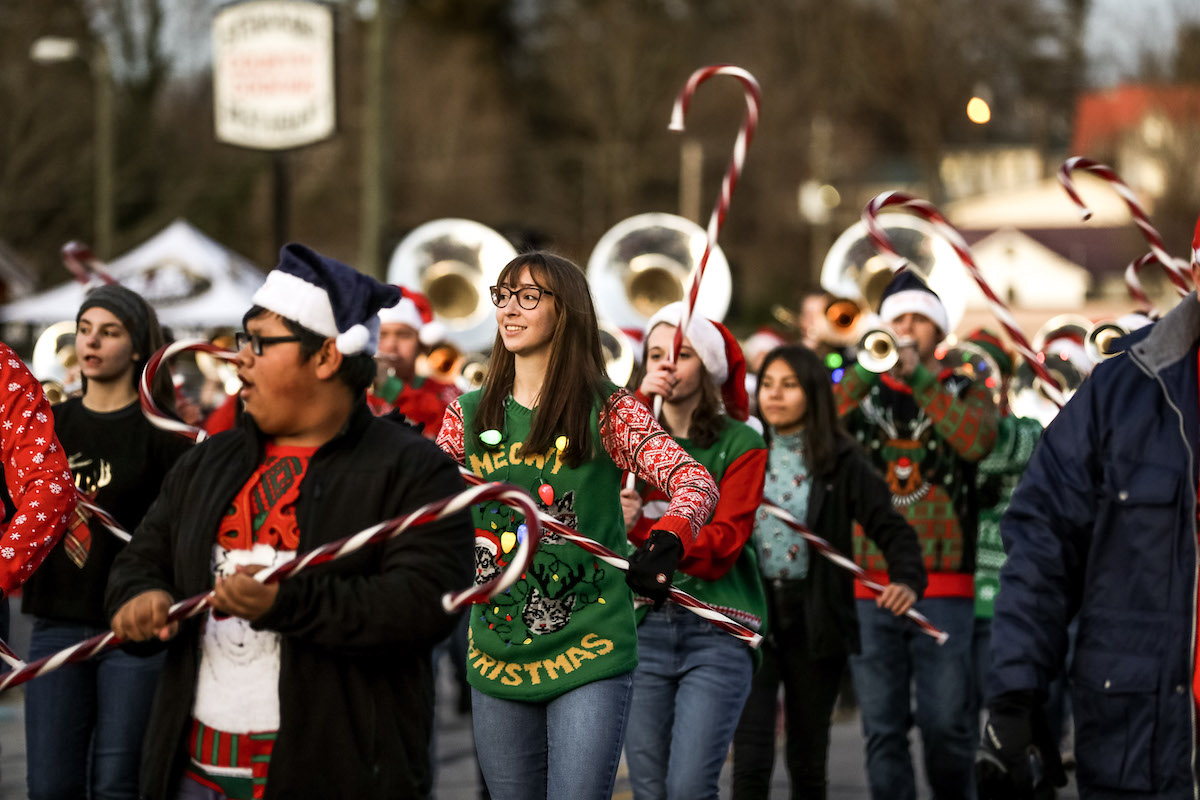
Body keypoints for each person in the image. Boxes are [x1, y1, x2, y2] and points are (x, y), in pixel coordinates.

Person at [107, 243, 474, 800]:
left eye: (259, 342)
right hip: (193, 775)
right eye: (242, 341)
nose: (239, 359)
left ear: (326, 356)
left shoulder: (414, 470)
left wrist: (285, 603)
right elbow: (143, 558)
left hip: (337, 778)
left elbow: (423, 606)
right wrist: (139, 596)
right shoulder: (210, 460)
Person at [435, 251, 718, 800]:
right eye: (503, 295)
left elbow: (694, 481)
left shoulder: (609, 410)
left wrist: (667, 538)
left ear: (564, 311)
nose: (509, 310)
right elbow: (424, 507)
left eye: (528, 297)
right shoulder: (465, 415)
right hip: (495, 653)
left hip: (591, 646)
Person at [976, 221, 1200, 799]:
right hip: (1142, 736)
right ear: (1196, 273)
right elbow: (1044, 540)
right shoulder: (1121, 392)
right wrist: (1016, 695)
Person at [731, 344, 927, 800]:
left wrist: (906, 579)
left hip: (816, 619)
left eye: (789, 385)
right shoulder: (744, 452)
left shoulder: (841, 460)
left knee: (807, 760)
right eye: (768, 384)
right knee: (751, 758)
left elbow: (892, 528)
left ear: (814, 392)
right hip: (752, 615)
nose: (774, 395)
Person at [21, 285, 192, 800]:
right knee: (50, 786)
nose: (91, 342)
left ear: (138, 348)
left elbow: (178, 537)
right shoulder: (48, 427)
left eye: (109, 332)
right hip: (55, 624)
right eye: (84, 329)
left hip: (132, 629)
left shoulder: (167, 435)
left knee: (118, 785)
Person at [834, 270, 998, 800]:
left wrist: (923, 381)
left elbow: (975, 442)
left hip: (945, 585)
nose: (906, 329)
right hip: (869, 583)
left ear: (939, 330)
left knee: (947, 725)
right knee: (882, 730)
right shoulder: (861, 389)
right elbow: (819, 427)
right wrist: (866, 367)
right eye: (897, 319)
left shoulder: (967, 387)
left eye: (919, 320)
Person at [619, 302, 768, 800]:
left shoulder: (742, 443)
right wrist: (636, 406)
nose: (667, 364)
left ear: (708, 368)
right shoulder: (621, 443)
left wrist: (642, 528)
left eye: (682, 354)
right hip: (639, 628)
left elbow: (723, 544)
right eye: (655, 354)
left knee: (688, 788)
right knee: (648, 788)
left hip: (715, 630)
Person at [369, 286, 459, 438]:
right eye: (382, 334)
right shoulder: (356, 391)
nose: (391, 345)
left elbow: (449, 433)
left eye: (403, 335)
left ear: (422, 345)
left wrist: (394, 389)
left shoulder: (447, 392)